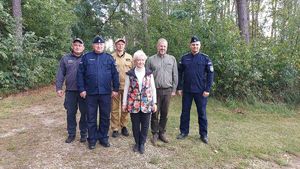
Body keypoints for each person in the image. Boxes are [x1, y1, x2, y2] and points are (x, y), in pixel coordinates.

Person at [77, 35, 119, 150]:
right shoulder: (86, 57)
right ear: (93, 45)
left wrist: (115, 89)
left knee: (105, 116)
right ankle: (92, 139)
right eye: (97, 44)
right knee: (91, 117)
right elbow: (80, 74)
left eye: (101, 44)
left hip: (106, 93)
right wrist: (81, 89)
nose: (99, 46)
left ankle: (103, 137)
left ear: (104, 45)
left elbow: (115, 75)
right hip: (90, 93)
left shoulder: (109, 58)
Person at [176, 36, 214, 144]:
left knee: (202, 113)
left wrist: (207, 89)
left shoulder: (205, 58)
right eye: (193, 45)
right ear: (190, 46)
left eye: (197, 44)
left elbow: (210, 74)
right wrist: (179, 87)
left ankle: (203, 134)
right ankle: (183, 132)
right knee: (185, 112)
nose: (195, 46)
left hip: (201, 91)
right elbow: (179, 73)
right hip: (187, 90)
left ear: (200, 46)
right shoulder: (184, 58)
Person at [122, 50, 157, 154]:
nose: (140, 62)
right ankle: (137, 143)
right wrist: (124, 103)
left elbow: (153, 88)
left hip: (147, 103)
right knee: (135, 125)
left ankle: (142, 143)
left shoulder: (149, 73)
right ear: (135, 61)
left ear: (145, 60)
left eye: (142, 60)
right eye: (138, 60)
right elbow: (126, 89)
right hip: (133, 104)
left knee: (145, 125)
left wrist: (154, 103)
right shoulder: (130, 74)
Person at [146, 38, 178, 145]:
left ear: (167, 47)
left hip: (168, 90)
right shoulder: (151, 59)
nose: (162, 48)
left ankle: (162, 132)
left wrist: (174, 89)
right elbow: (147, 75)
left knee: (165, 113)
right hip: (155, 91)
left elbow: (175, 75)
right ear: (157, 46)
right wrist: (148, 90)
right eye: (161, 46)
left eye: (164, 46)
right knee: (155, 113)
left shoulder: (172, 59)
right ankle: (154, 133)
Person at [55, 38, 87, 143]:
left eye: (80, 45)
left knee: (85, 113)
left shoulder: (87, 58)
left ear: (83, 47)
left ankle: (83, 133)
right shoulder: (65, 58)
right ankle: (71, 134)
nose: (77, 47)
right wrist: (59, 87)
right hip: (70, 91)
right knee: (70, 113)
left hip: (84, 92)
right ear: (72, 46)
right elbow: (60, 74)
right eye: (76, 45)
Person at [110, 38, 133, 138]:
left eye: (122, 44)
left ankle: (124, 126)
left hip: (126, 86)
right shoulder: (111, 57)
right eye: (118, 44)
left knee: (125, 108)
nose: (120, 46)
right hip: (115, 88)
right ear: (115, 46)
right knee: (114, 108)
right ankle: (115, 128)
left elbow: (133, 72)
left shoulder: (129, 57)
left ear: (124, 46)